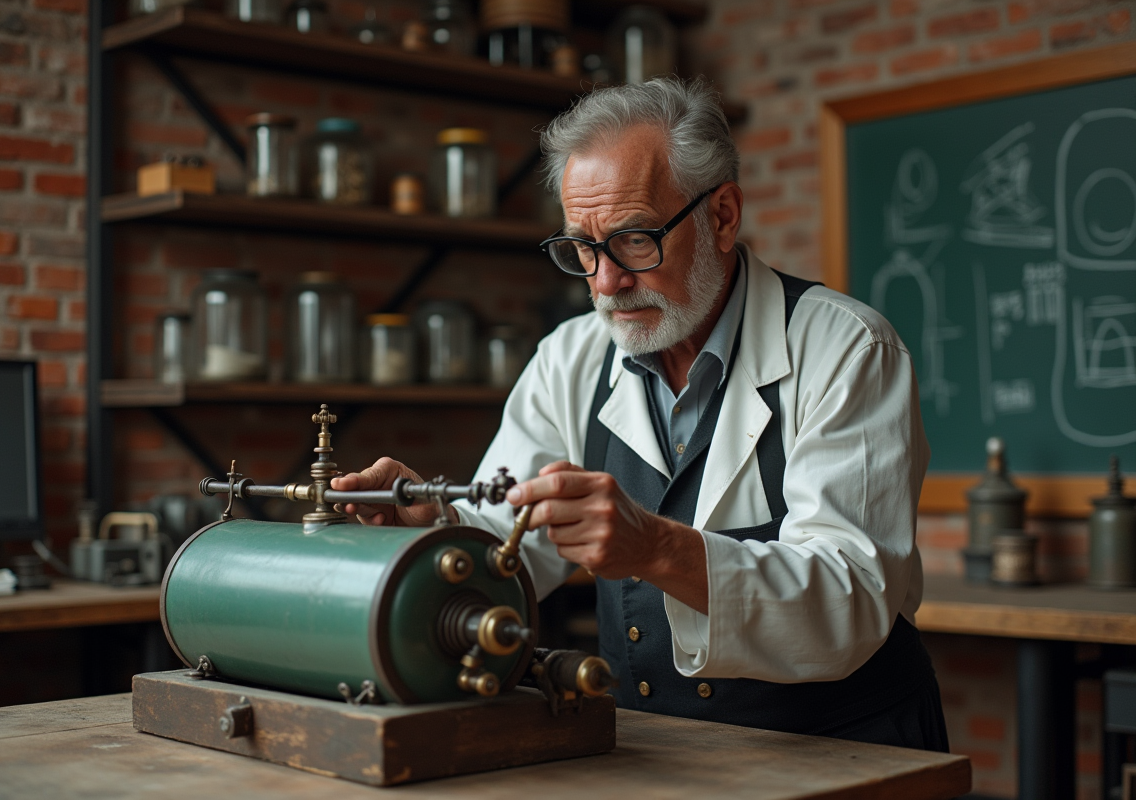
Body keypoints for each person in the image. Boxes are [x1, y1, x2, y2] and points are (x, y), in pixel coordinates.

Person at [333, 77, 948, 751]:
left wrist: (654, 548)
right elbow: (509, 539)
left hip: (849, 754)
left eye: (633, 240)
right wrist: (437, 530)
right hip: (653, 753)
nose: (605, 282)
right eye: (583, 248)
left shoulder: (845, 348)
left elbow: (850, 599)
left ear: (722, 215)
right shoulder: (571, 358)